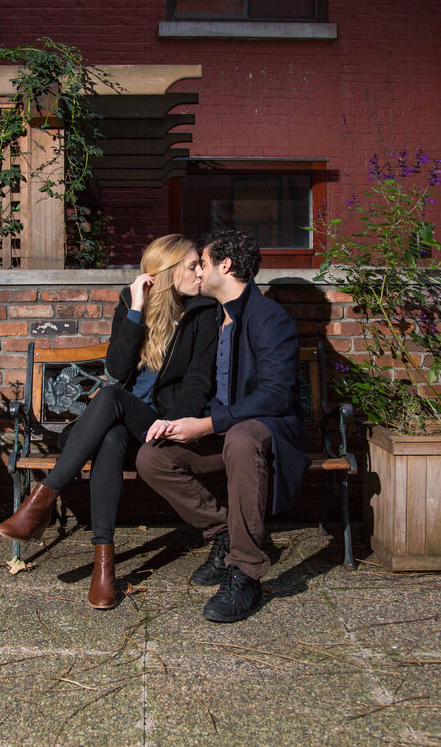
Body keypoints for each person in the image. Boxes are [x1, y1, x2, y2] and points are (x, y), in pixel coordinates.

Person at [0, 234, 219, 609]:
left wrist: (177, 423)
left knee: (112, 398)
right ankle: (104, 567)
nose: (201, 272)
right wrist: (136, 309)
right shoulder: (132, 303)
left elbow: (198, 382)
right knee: (111, 438)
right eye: (193, 265)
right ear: (167, 270)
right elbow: (117, 367)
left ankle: (41, 502)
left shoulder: (204, 313)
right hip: (116, 427)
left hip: (159, 425)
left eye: (200, 264)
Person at [135, 229, 307, 623]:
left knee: (244, 437)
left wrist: (209, 423)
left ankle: (245, 571)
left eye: (204, 263)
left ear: (225, 266)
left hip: (264, 432)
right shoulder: (210, 317)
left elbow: (276, 396)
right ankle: (224, 531)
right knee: (152, 457)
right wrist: (183, 422)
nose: (199, 271)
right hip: (219, 432)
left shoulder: (268, 318)